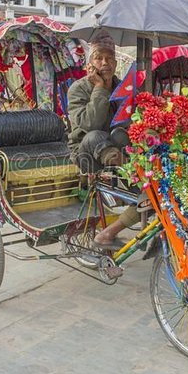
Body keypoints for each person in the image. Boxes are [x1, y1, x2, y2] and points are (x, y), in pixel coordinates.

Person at [67, 32, 138, 249]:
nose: (104, 63)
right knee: (96, 135)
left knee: (151, 192)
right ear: (90, 63)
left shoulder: (121, 86)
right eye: (99, 58)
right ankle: (129, 170)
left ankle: (135, 179)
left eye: (109, 58)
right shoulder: (78, 88)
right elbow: (92, 124)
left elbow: (128, 122)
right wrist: (99, 88)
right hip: (87, 153)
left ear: (116, 63)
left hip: (115, 151)